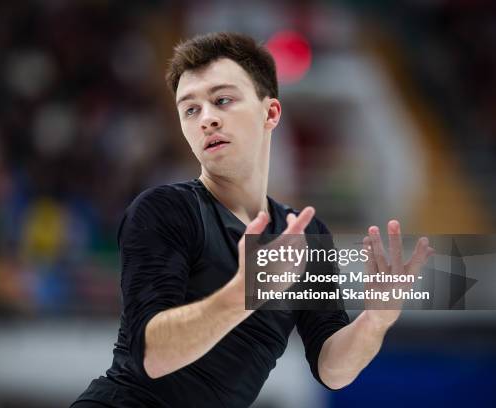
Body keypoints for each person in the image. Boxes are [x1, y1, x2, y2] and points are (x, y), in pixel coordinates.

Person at [71, 32, 434, 408]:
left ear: (270, 112)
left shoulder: (306, 235)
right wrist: (242, 293)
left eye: (222, 100)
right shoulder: (164, 210)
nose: (207, 119)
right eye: (190, 109)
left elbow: (332, 371)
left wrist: (374, 321)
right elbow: (151, 355)